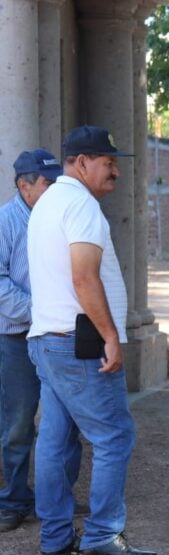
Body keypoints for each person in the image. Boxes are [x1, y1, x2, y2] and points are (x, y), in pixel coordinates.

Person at [26, 125, 157, 555]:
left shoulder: (47, 204)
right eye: (108, 162)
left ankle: (56, 539)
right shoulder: (81, 206)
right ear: (81, 162)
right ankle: (102, 535)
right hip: (78, 341)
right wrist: (110, 337)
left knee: (56, 440)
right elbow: (84, 277)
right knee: (115, 435)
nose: (114, 171)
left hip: (48, 337)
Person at [0, 149, 62, 533]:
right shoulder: (5, 222)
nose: (55, 187)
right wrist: (41, 309)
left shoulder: (58, 215)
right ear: (24, 186)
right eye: (47, 182)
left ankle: (55, 498)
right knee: (19, 421)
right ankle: (13, 498)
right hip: (17, 336)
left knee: (62, 419)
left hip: (57, 332)